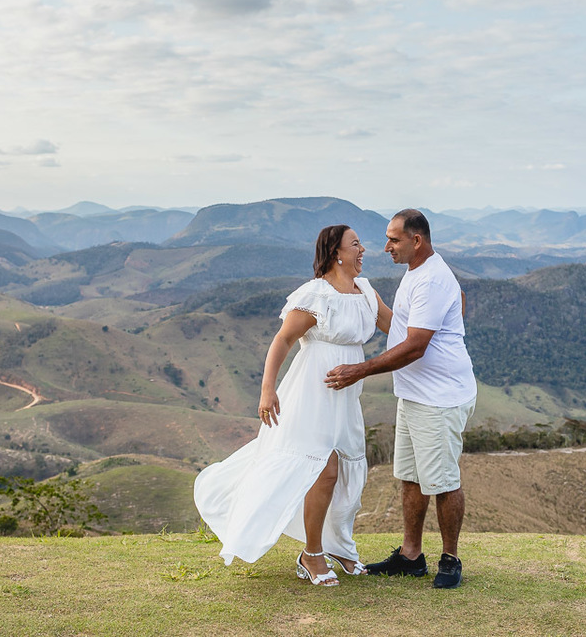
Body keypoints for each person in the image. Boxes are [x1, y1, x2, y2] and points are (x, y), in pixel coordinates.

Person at [194, 225, 391, 587]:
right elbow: (282, 340)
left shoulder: (365, 291)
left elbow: (395, 326)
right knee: (323, 469)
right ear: (336, 253)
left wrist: (439, 324)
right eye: (356, 244)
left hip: (347, 394)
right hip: (312, 393)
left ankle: (341, 547)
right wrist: (267, 390)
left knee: (347, 472)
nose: (363, 250)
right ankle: (311, 554)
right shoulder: (316, 295)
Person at [324, 208, 476, 589]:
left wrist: (358, 370)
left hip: (439, 398)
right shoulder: (419, 273)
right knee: (410, 478)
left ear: (416, 240)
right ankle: (411, 556)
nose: (386, 246)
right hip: (414, 395)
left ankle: (450, 559)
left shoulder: (431, 280)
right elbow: (447, 302)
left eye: (393, 239)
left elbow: (415, 347)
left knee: (442, 481)